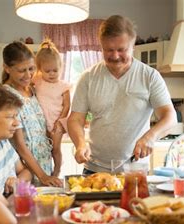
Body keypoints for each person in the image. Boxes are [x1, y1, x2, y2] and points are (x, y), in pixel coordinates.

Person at [68, 15, 177, 174]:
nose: (115, 56)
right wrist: (80, 144)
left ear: (133, 46)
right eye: (109, 50)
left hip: (135, 169)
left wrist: (150, 137)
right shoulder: (88, 77)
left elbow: (169, 116)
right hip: (94, 169)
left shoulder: (149, 76)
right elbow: (75, 119)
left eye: (121, 49)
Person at [2, 41, 63, 187]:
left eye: (31, 69)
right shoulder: (6, 95)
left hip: (45, 163)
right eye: (21, 70)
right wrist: (42, 176)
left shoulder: (34, 90)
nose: (28, 75)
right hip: (26, 169)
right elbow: (20, 145)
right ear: (7, 68)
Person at [33, 39, 71, 177]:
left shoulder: (64, 86)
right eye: (47, 71)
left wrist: (59, 121)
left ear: (61, 67)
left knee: (55, 149)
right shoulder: (37, 81)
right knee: (44, 149)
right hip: (41, 122)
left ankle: (57, 170)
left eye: (55, 70)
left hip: (57, 122)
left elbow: (67, 105)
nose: (52, 74)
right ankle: (45, 171)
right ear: (40, 69)